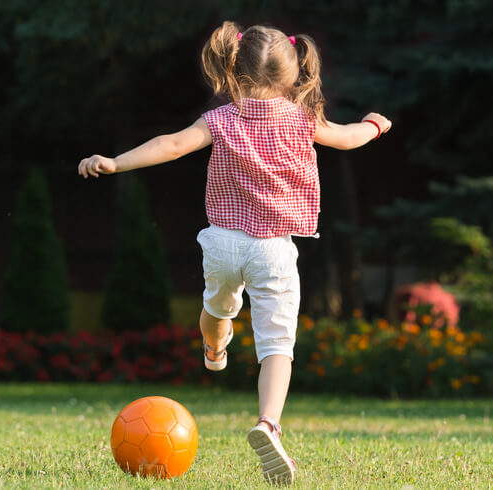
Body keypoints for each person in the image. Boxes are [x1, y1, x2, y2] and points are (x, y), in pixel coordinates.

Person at [78, 21, 391, 484]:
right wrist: (374, 125)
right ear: (292, 75)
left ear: (234, 72)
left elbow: (171, 145)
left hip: (223, 243)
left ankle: (213, 343)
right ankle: (268, 422)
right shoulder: (304, 119)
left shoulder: (219, 120)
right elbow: (347, 137)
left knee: (215, 306)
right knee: (276, 346)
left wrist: (117, 161)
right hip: (273, 251)